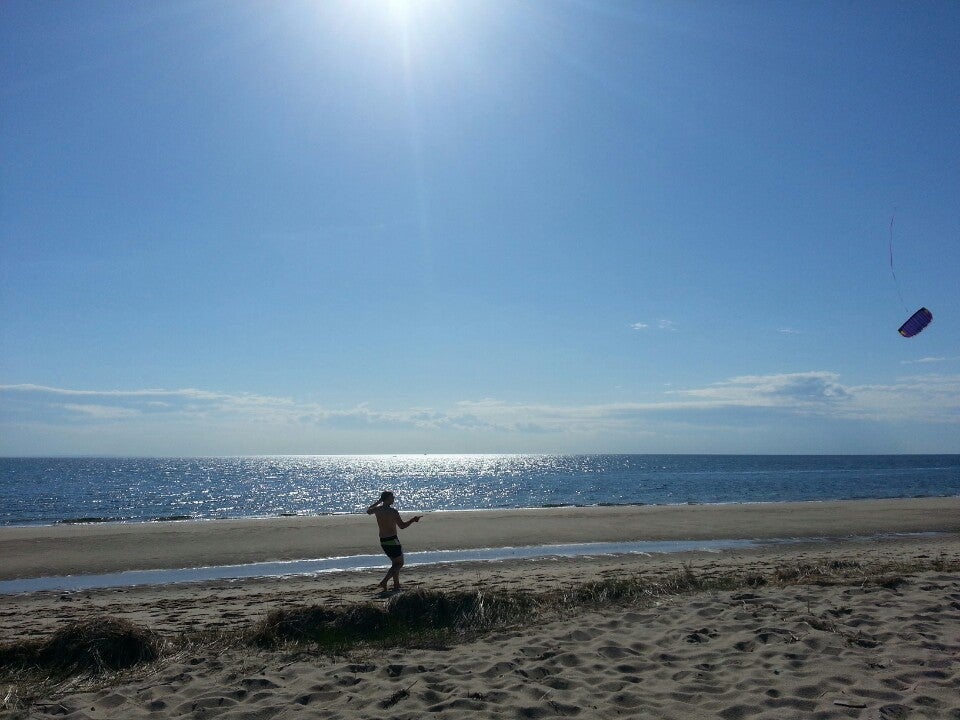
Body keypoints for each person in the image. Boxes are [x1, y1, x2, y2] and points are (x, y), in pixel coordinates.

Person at [366, 491, 422, 593]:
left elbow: (368, 510)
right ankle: (384, 581)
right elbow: (402, 526)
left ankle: (396, 585)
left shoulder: (377, 510)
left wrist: (379, 501)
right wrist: (413, 520)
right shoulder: (393, 512)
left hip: (383, 540)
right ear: (387, 499)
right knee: (399, 563)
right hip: (392, 540)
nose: (394, 499)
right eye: (392, 497)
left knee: (395, 563)